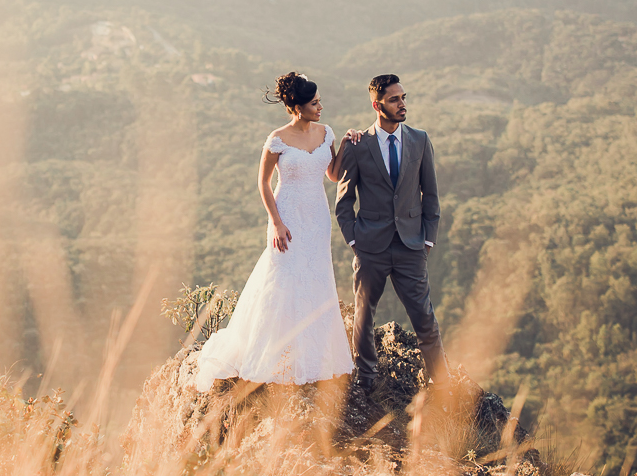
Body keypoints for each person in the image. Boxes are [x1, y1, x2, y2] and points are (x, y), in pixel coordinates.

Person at [190, 72, 355, 391]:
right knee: (283, 278)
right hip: (287, 212)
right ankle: (272, 353)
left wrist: (346, 144)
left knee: (315, 275)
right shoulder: (277, 139)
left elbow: (333, 175)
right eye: (314, 103)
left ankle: (312, 354)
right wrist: (277, 222)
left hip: (317, 215)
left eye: (320, 101)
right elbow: (263, 183)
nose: (320, 107)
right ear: (297, 106)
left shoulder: (326, 133)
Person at [335, 73, 449, 394]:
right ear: (377, 104)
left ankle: (442, 383)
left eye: (404, 98)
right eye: (395, 100)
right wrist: (355, 241)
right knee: (364, 314)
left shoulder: (420, 140)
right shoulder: (360, 146)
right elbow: (344, 201)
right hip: (371, 246)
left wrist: (427, 239)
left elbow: (432, 193)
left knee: (424, 318)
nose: (403, 105)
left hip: (412, 246)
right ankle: (366, 378)